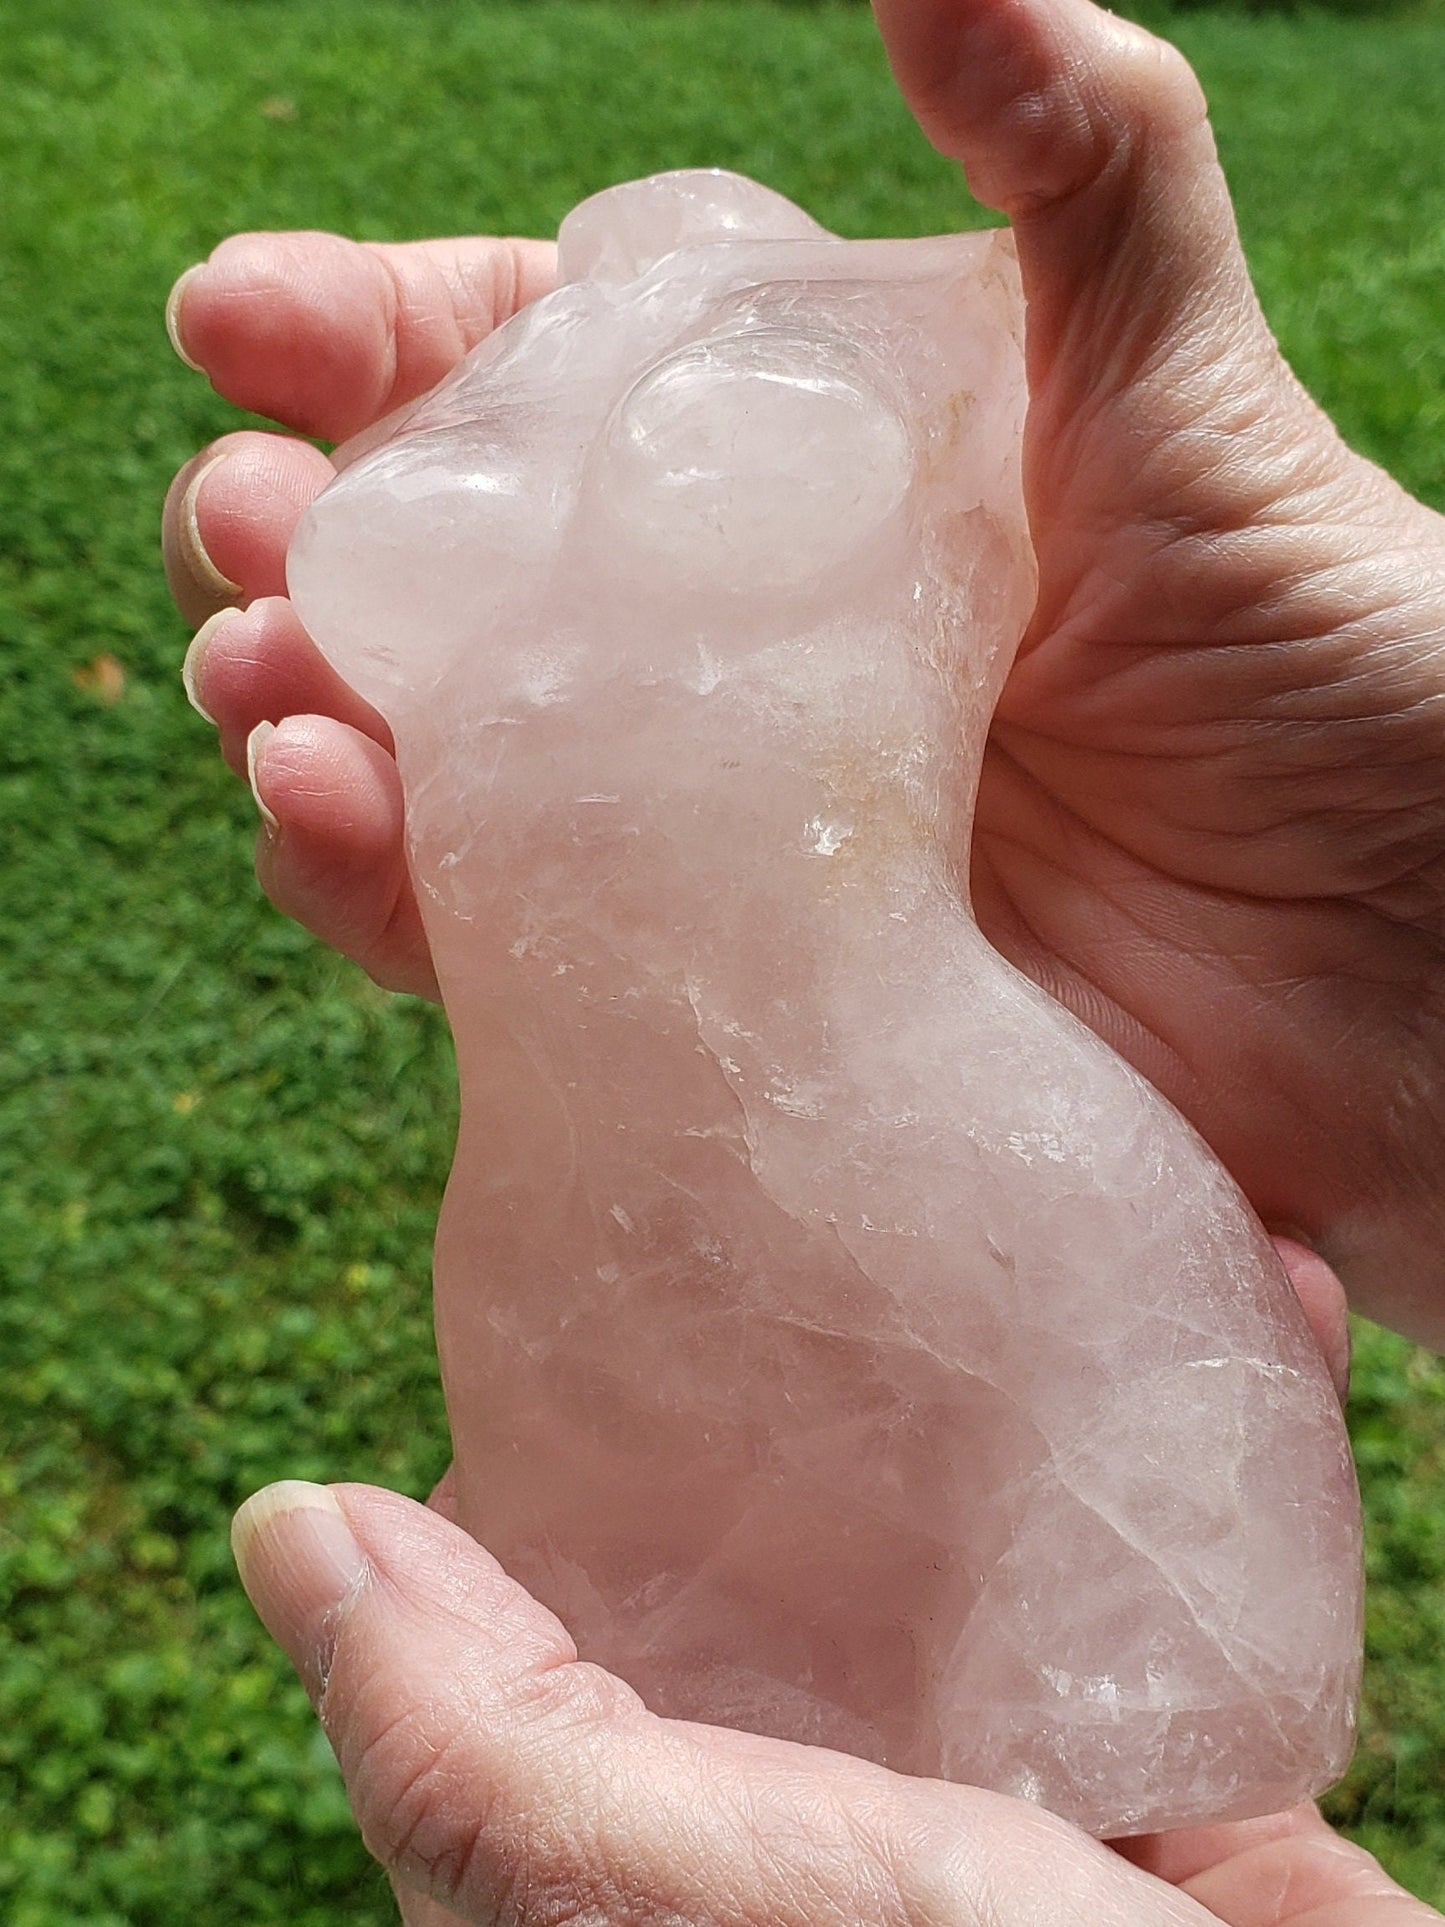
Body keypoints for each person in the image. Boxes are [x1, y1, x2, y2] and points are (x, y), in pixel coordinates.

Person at [161, 0, 1445, 1916]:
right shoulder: (580, 395)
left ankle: (1048, 1661)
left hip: (976, 1216)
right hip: (600, 1242)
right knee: (658, 1531)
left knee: (1015, 1533)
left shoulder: (856, 390)